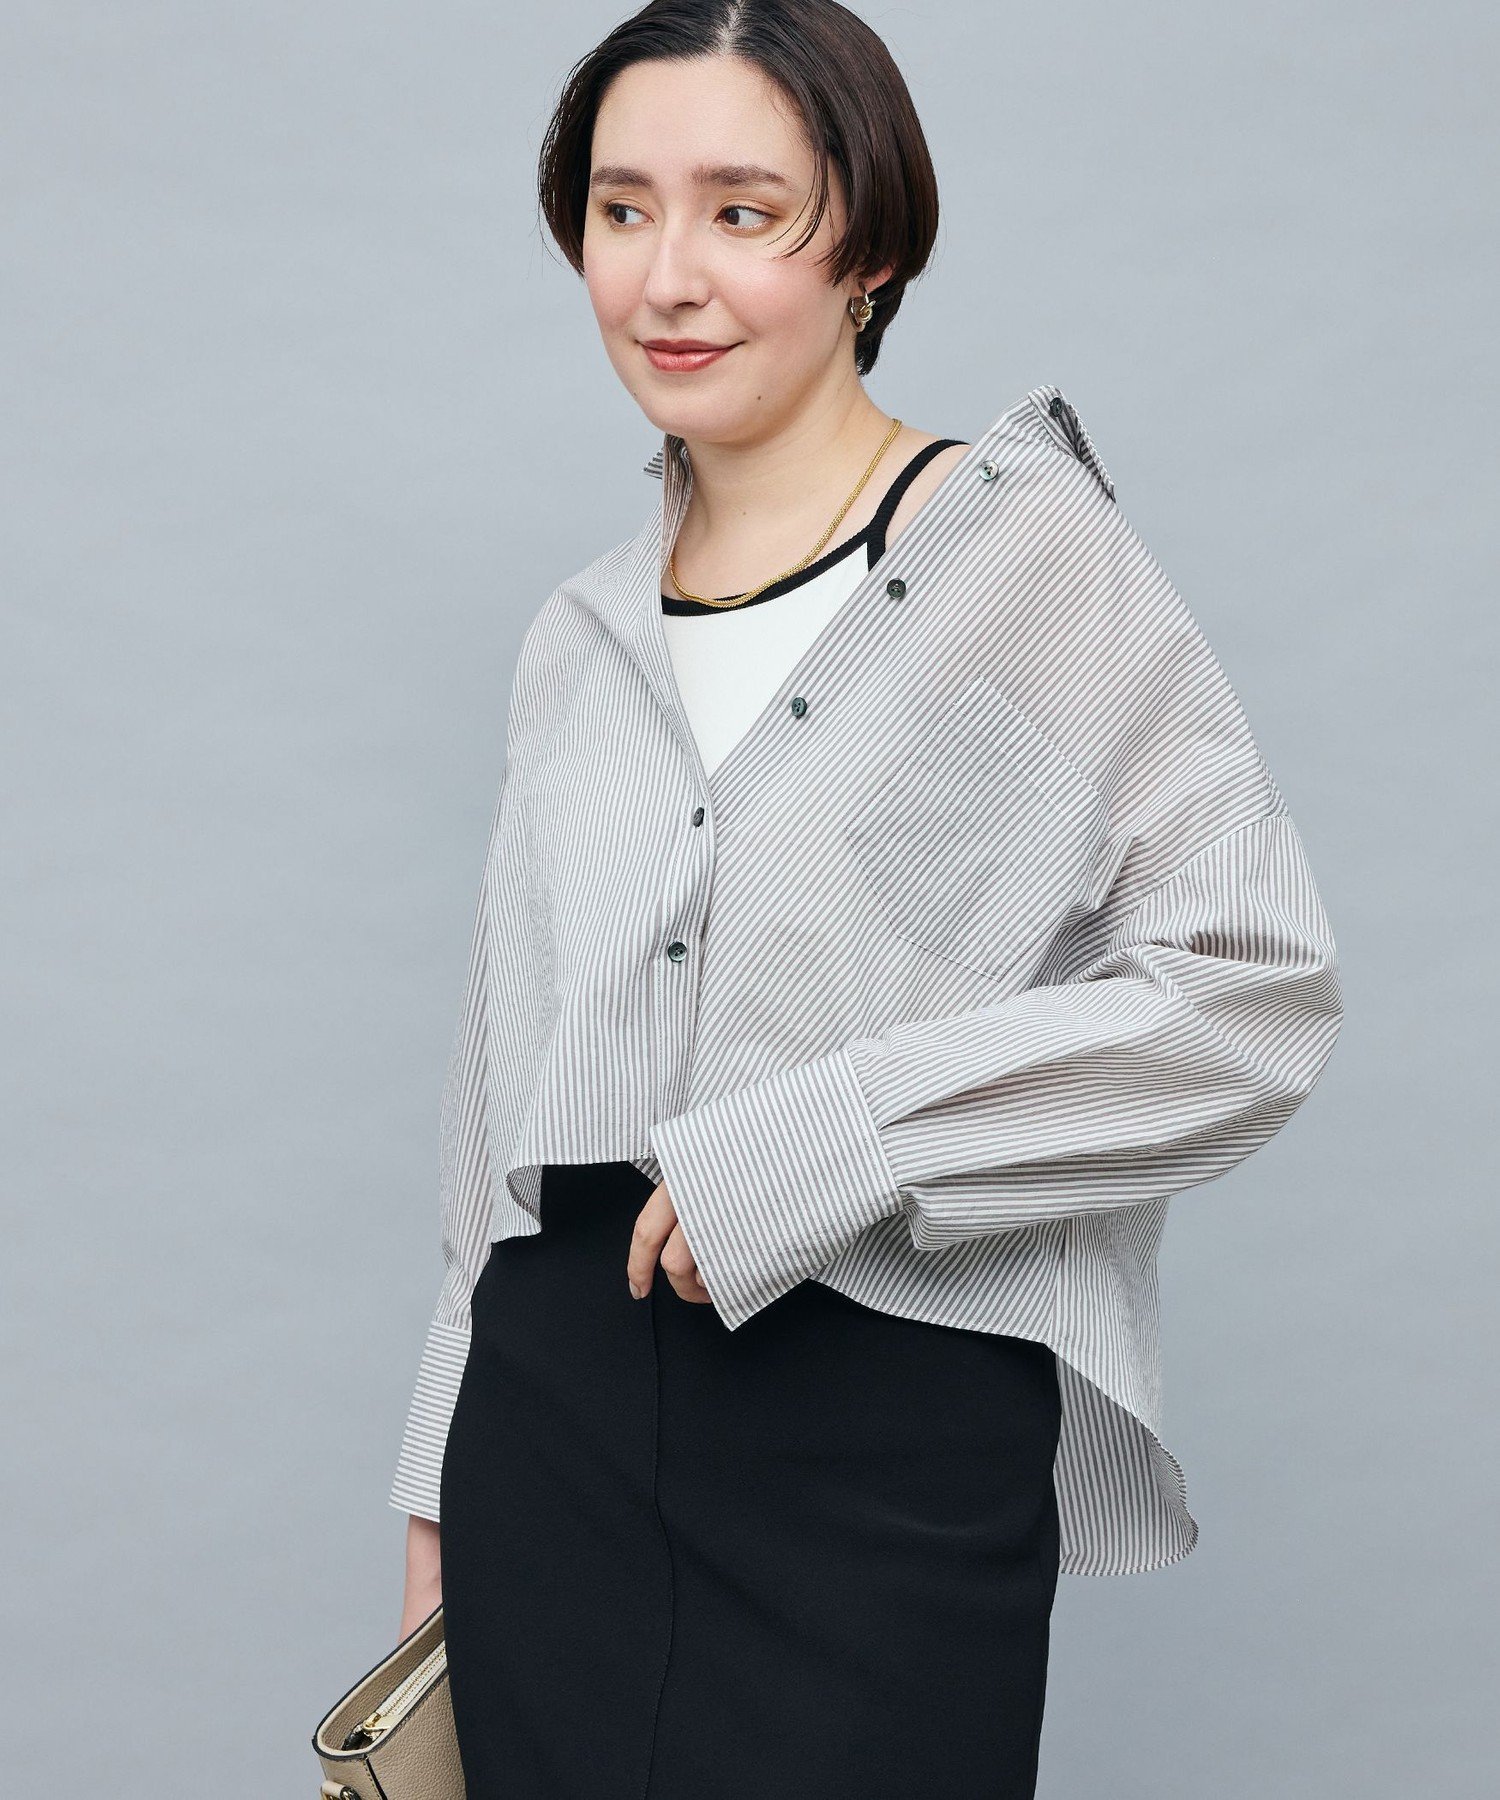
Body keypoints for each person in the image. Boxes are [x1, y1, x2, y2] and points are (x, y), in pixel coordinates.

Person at [388, 4, 1344, 1796]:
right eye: (621, 210)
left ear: (871, 247)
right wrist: (441, 1495)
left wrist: (839, 1135)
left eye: (743, 211)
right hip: (553, 1439)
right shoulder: (575, 641)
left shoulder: (1021, 561)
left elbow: (1249, 993)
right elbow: (494, 1116)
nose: (668, 275)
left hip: (879, 1431)